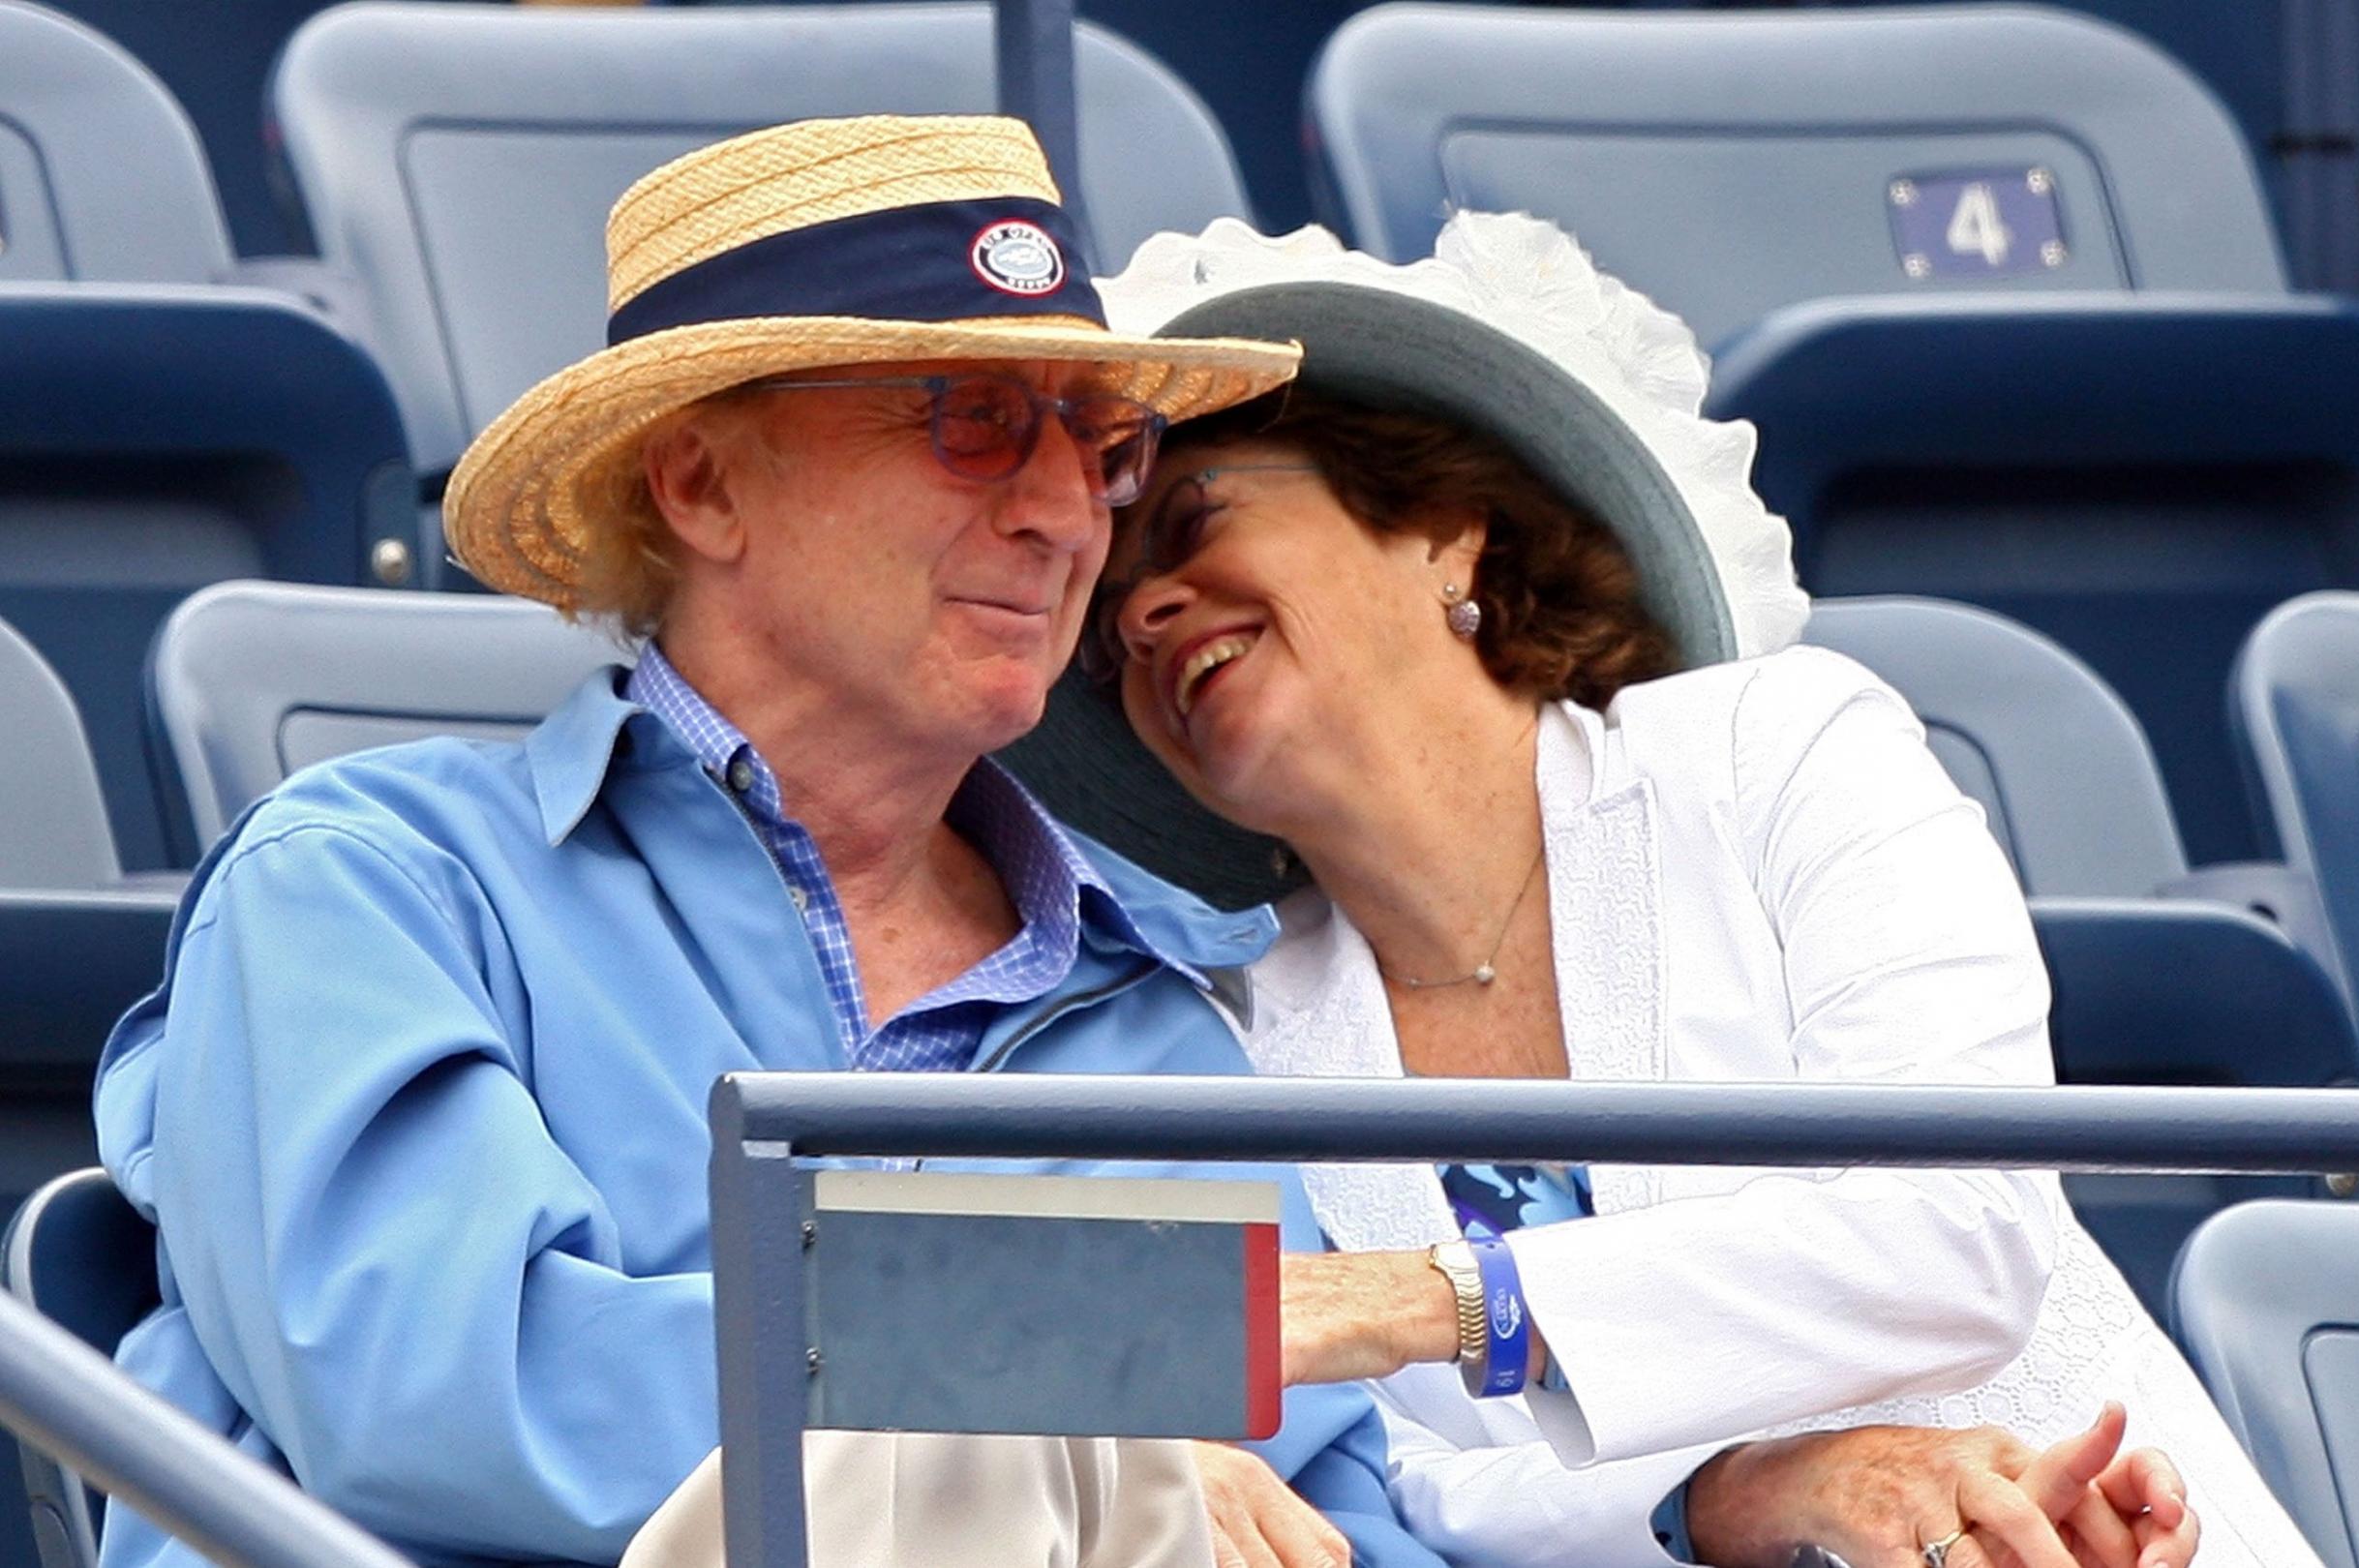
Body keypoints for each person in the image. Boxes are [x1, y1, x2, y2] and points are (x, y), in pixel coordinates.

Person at [92, 117, 2199, 1568]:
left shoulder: (1155, 1023)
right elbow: (460, 1383)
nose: (1065, 513)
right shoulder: (378, 880)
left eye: (1100, 450)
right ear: (703, 487)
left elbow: (1361, 1513)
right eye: (968, 419)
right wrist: (1108, 1415)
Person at [1017, 213, 2321, 1568]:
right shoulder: (1230, 1028)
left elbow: (1958, 1224)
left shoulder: (1782, 751)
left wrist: (1423, 1302)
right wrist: (1747, 1492)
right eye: (1107, 614)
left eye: (1192, 522)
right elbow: (1401, 1488)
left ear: (1444, 533)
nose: (1142, 612)